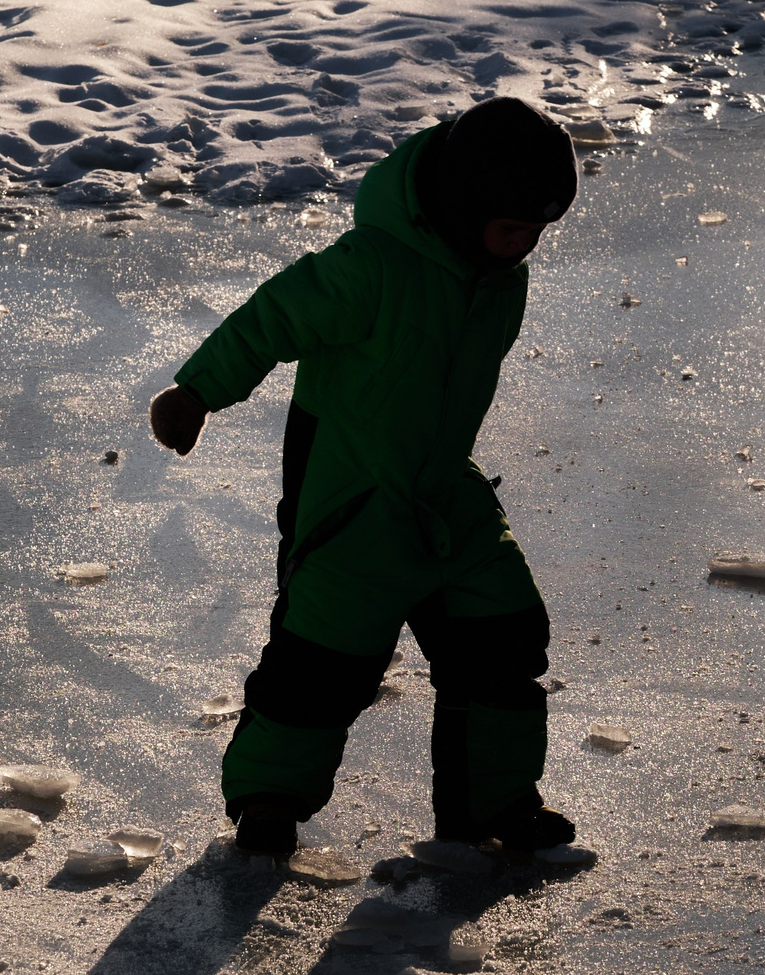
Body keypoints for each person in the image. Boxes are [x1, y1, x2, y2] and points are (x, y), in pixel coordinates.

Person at [148, 97, 582, 860]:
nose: (525, 246)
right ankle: (268, 804)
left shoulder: (498, 281)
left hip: (446, 497)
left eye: (538, 232)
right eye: (512, 227)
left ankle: (497, 803)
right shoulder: (372, 267)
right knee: (322, 665)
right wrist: (197, 392)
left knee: (503, 639)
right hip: (355, 504)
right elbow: (272, 317)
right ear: (462, 205)